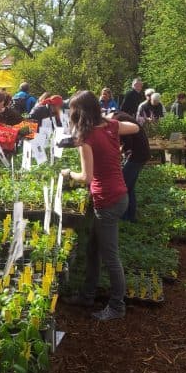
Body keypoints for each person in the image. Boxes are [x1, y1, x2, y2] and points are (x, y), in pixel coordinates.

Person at [62, 90, 139, 321]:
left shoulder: (86, 139)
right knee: (93, 248)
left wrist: (68, 173)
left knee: (110, 257)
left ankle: (117, 307)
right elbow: (135, 127)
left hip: (107, 201)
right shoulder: (111, 126)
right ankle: (87, 295)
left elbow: (86, 177)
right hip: (119, 194)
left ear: (78, 113)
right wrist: (113, 120)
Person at [110, 111, 150, 223]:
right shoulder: (120, 115)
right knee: (129, 187)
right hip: (142, 154)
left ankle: (124, 216)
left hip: (137, 156)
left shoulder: (117, 122)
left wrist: (119, 151)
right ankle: (130, 217)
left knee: (123, 187)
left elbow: (128, 143)